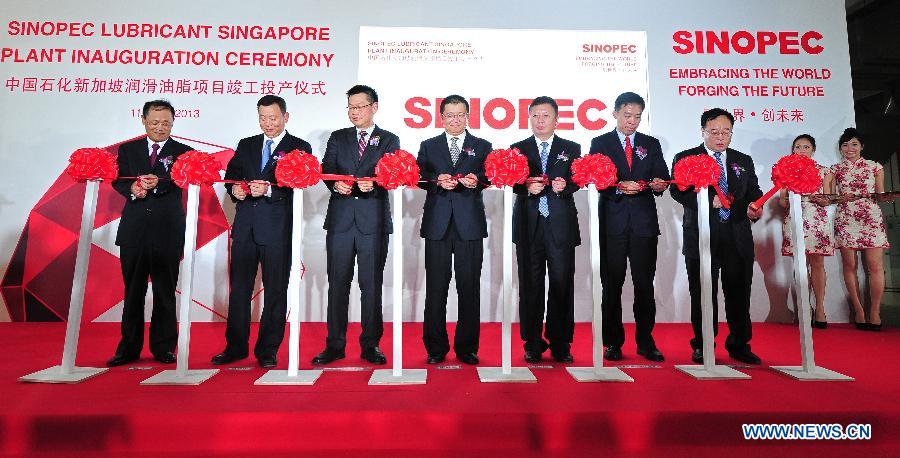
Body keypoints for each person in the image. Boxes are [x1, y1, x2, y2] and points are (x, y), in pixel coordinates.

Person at [212, 95, 312, 368]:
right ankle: (235, 346)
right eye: (263, 118)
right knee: (240, 290)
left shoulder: (299, 147)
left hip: (278, 229)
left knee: (276, 291)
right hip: (245, 228)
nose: (268, 123)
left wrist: (270, 190)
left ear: (286, 117)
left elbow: (301, 185)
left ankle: (268, 350)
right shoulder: (246, 145)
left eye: (273, 117)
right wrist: (235, 190)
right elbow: (231, 177)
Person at [312, 84, 400, 365]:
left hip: (372, 220)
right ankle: (334, 344)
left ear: (374, 108)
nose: (354, 112)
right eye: (350, 107)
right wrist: (335, 184)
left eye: (360, 107)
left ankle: (371, 344)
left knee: (371, 285)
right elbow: (327, 170)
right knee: (337, 283)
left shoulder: (389, 139)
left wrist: (372, 184)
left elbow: (391, 174)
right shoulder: (338, 138)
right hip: (340, 221)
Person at [670, 108, 763, 365]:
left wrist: (756, 206)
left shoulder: (742, 160)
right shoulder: (687, 157)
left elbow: (753, 190)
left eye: (726, 132)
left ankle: (739, 344)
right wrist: (704, 201)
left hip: (737, 236)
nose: (720, 137)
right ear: (703, 132)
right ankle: (702, 345)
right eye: (714, 132)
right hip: (701, 235)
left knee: (739, 293)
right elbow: (678, 192)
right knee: (702, 293)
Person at [108, 99, 192, 366]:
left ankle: (164, 347)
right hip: (134, 231)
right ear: (143, 120)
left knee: (165, 292)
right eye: (154, 122)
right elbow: (117, 180)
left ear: (173, 123)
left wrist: (159, 185)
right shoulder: (128, 149)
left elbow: (183, 183)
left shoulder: (184, 152)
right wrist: (132, 189)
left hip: (167, 230)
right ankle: (128, 349)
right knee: (132, 292)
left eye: (165, 123)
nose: (159, 127)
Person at [589, 92, 670, 362]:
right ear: (615, 114)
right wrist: (618, 187)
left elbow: (662, 176)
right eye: (627, 115)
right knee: (611, 284)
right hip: (612, 222)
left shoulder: (651, 143)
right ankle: (612, 342)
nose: (632, 121)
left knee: (644, 285)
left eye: (637, 116)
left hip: (644, 224)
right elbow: (595, 180)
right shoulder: (600, 142)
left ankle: (646, 341)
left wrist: (659, 184)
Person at [416, 95, 492, 365]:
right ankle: (435, 348)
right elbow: (419, 177)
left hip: (469, 225)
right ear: (442, 117)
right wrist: (437, 180)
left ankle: (467, 347)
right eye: (450, 115)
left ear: (468, 116)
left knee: (469, 288)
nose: (455, 119)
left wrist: (477, 181)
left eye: (460, 114)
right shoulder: (429, 145)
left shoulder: (482, 145)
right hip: (437, 224)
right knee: (436, 288)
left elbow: (489, 176)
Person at [512, 96, 582, 364]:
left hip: (560, 226)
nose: (540, 121)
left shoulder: (571, 147)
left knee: (562, 284)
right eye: (535, 116)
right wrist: (525, 187)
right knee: (530, 285)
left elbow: (579, 179)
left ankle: (561, 342)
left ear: (556, 119)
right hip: (529, 226)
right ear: (529, 118)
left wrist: (567, 186)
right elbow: (511, 182)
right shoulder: (517, 149)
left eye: (545, 116)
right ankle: (532, 342)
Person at [831, 128, 888, 331]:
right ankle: (859, 311)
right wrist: (840, 198)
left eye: (854, 144)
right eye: (845, 145)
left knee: (875, 267)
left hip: (871, 218)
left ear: (862, 146)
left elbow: (880, 194)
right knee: (850, 267)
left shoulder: (875, 167)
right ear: (840, 148)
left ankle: (875, 312)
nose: (850, 148)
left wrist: (885, 196)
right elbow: (829, 197)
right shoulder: (834, 169)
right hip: (846, 218)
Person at [778, 134, 834, 329]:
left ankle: (820, 309)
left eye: (806, 147)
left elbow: (829, 198)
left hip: (816, 219)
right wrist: (788, 200)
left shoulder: (824, 171)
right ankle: (805, 308)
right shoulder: (786, 170)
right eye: (798, 147)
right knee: (800, 265)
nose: (802, 150)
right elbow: (781, 201)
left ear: (813, 150)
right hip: (795, 218)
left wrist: (823, 199)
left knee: (817, 263)